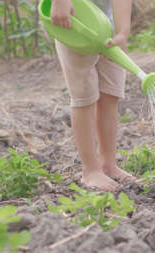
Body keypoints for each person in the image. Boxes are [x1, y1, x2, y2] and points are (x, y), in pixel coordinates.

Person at [50, 0, 135, 191]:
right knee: (84, 97)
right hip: (74, 24)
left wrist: (122, 32)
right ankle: (90, 169)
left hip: (108, 29)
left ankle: (108, 163)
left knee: (111, 93)